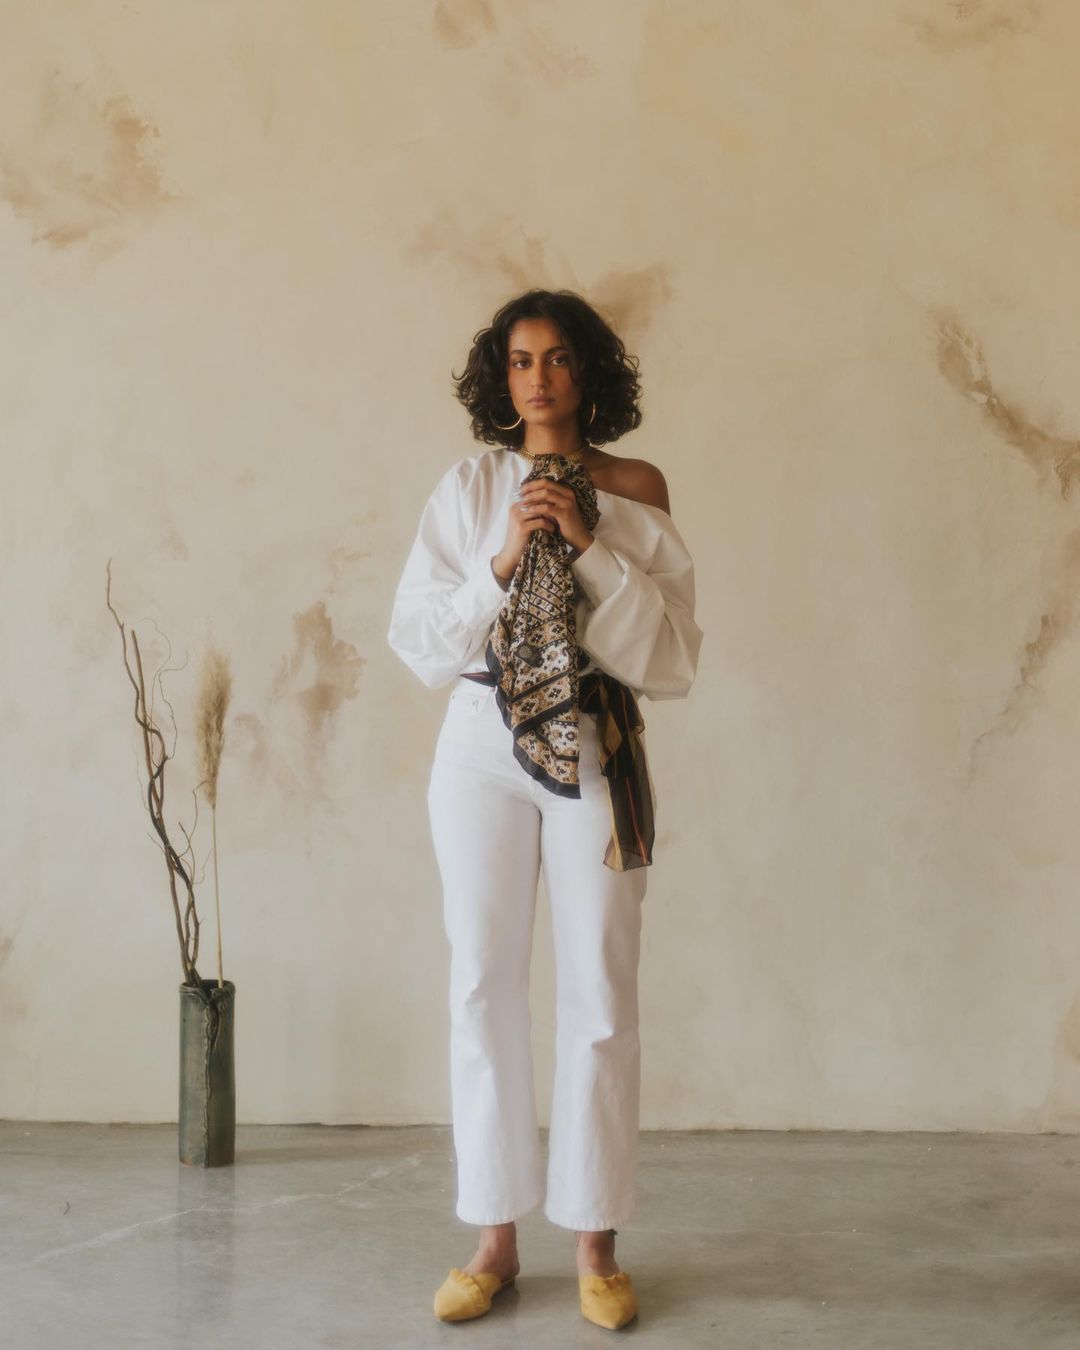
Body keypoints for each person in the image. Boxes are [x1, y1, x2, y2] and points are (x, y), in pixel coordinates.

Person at [386, 288, 703, 1329]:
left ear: (588, 371)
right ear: (500, 377)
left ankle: (596, 1244)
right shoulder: (471, 487)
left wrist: (589, 543)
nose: (538, 379)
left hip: (595, 737)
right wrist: (502, 563)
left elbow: (671, 657)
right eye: (520, 361)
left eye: (558, 358)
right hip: (480, 742)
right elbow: (420, 641)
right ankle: (494, 1239)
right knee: (482, 982)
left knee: (600, 988)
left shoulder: (636, 487)